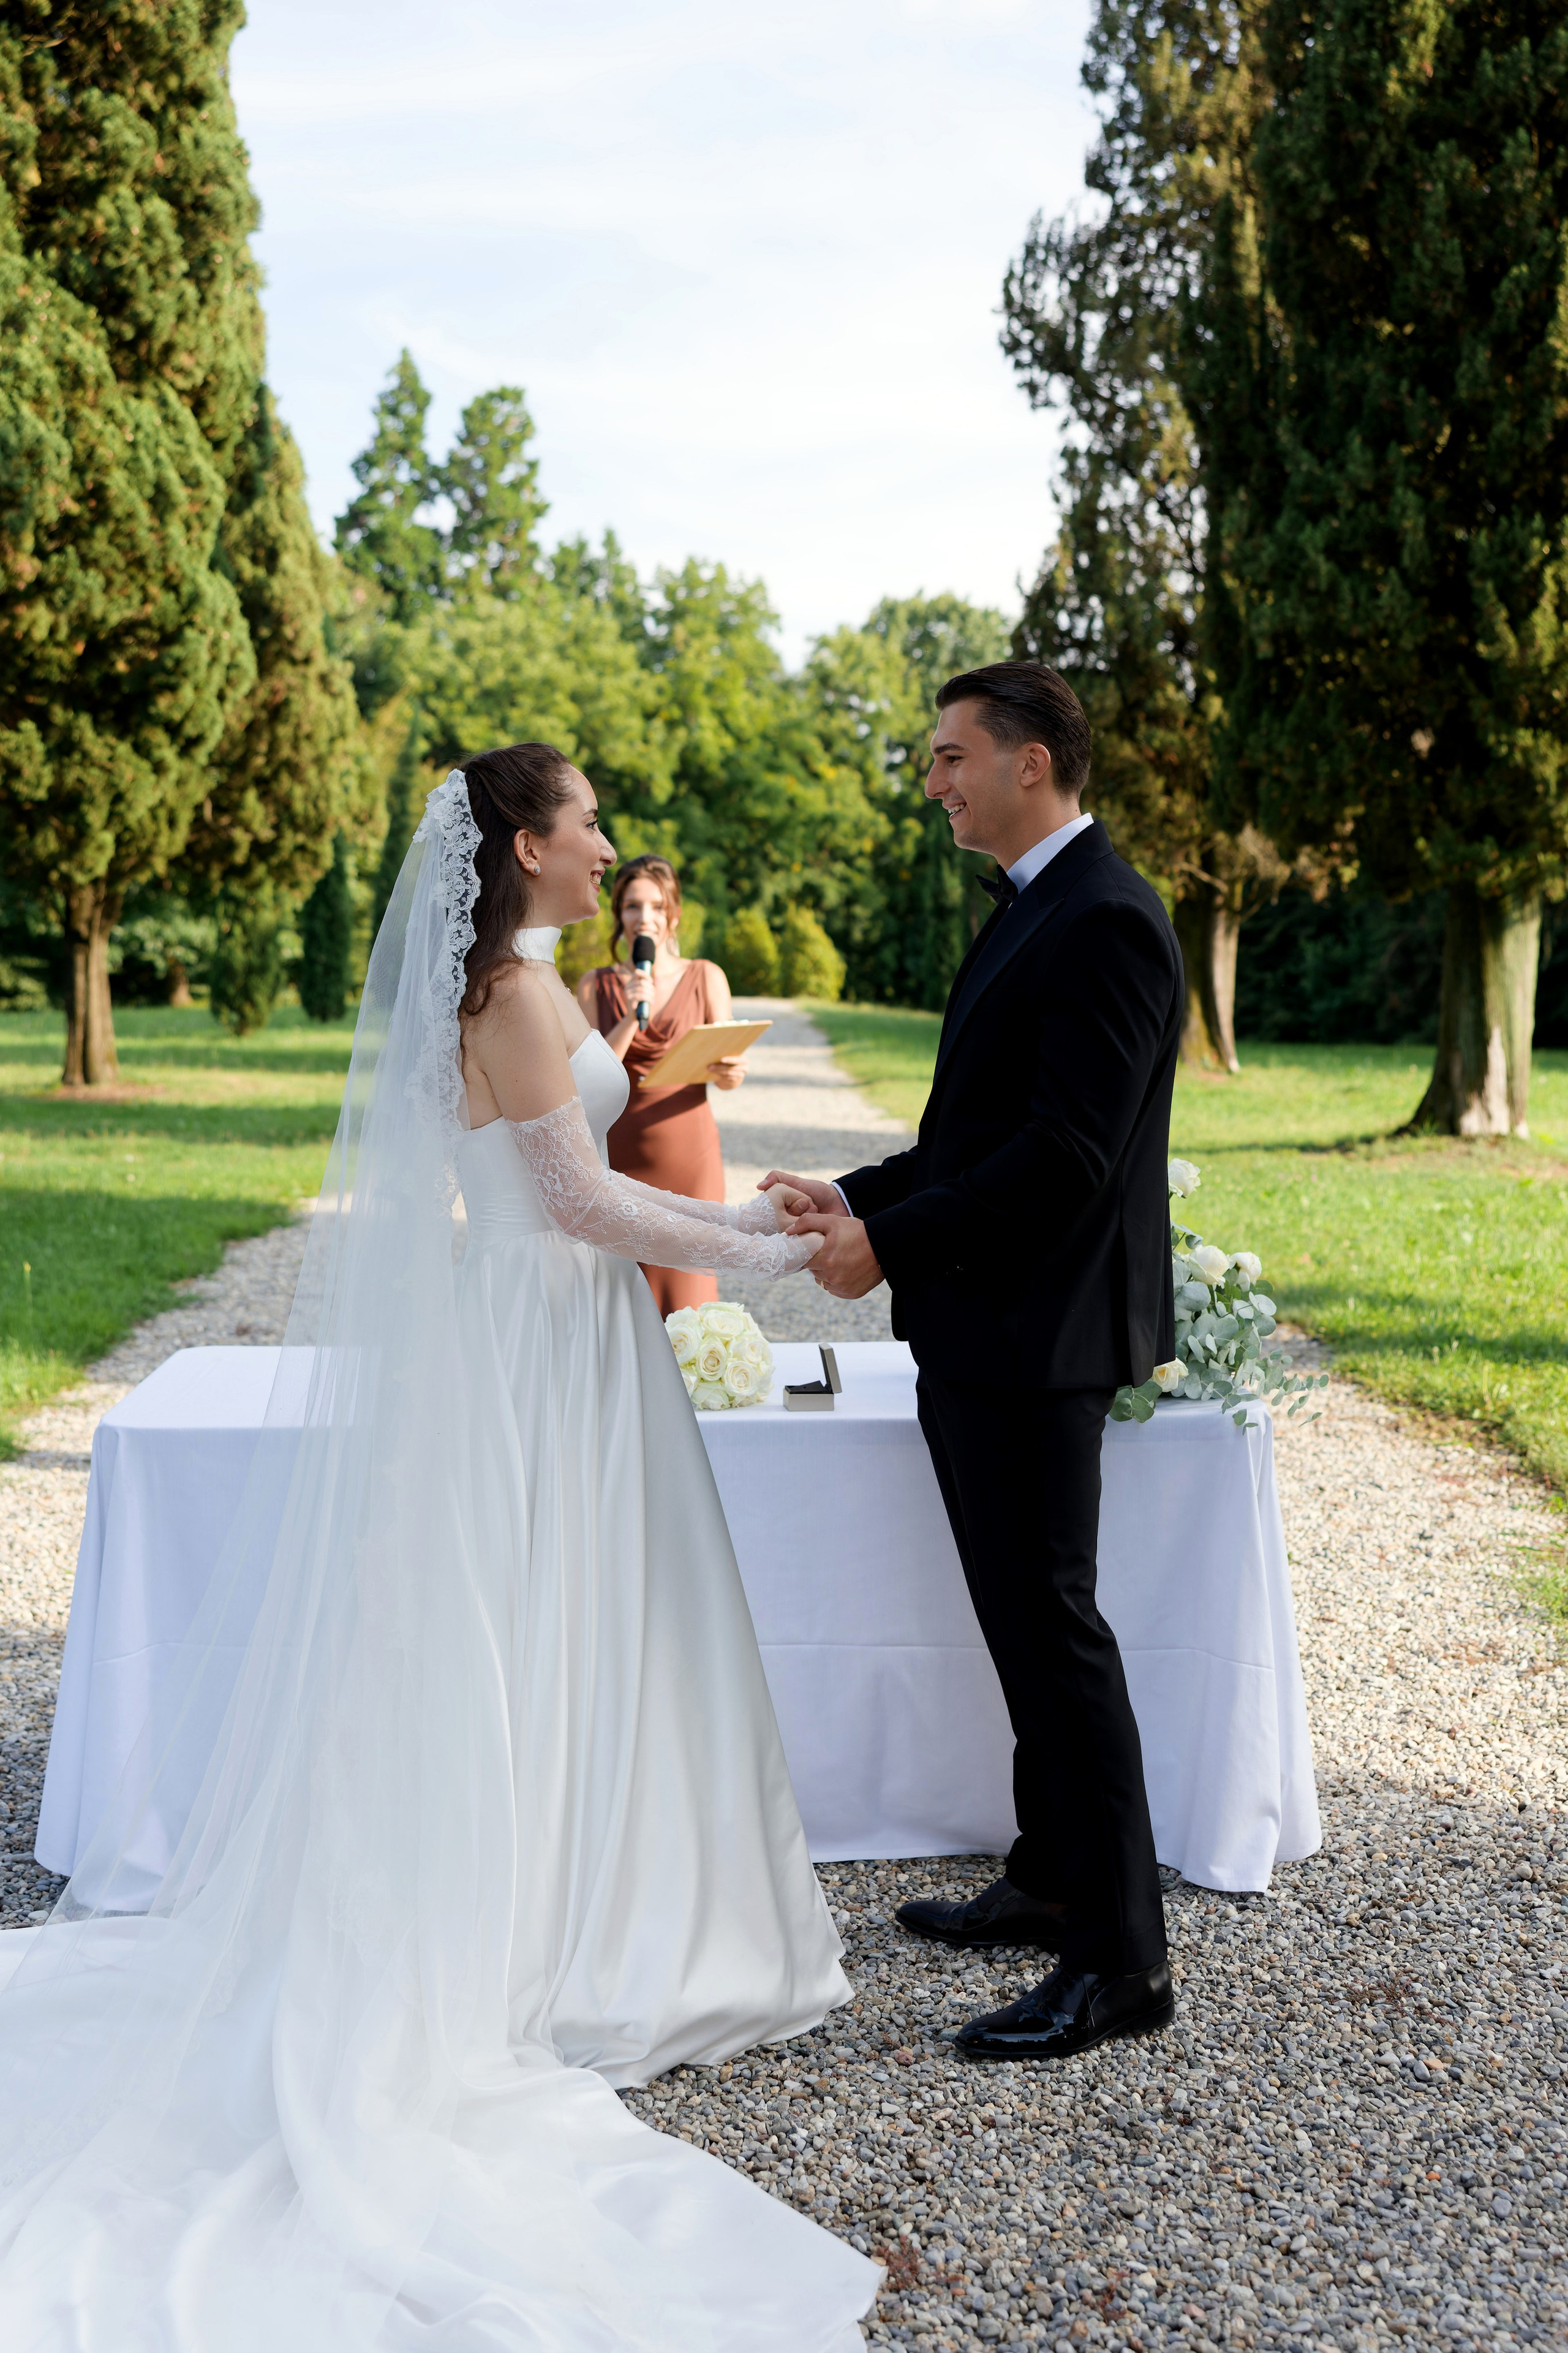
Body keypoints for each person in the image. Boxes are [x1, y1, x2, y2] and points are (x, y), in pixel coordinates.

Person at [0, 744, 878, 2349]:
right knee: (544, 1618)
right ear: (527, 846)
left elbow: (576, 1189)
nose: (605, 843)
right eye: (586, 822)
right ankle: (564, 1937)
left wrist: (747, 1219)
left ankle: (607, 1899)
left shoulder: (521, 983)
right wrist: (760, 1242)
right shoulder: (511, 998)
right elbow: (578, 1206)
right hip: (545, 1336)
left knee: (590, 1618)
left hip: (567, 1331)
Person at [763, 660, 1182, 2063]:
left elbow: (1063, 1159)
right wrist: (852, 1197)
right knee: (1018, 1625)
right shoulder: (1030, 905)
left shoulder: (1105, 917)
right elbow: (971, 1137)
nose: (932, 780)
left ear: (1029, 761)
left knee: (1053, 1634)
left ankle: (1119, 1959)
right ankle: (1049, 1872)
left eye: (950, 755)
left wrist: (886, 1244)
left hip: (1037, 1338)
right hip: (983, 1329)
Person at [578, 854, 748, 1317]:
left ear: (673, 913)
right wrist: (632, 1017)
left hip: (689, 1154)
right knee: (621, 1295)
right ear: (619, 914)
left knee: (688, 1290)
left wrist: (731, 1073)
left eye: (656, 906)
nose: (645, 917)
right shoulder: (594, 986)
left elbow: (727, 1065)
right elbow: (588, 1078)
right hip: (619, 1158)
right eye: (633, 906)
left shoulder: (706, 977)